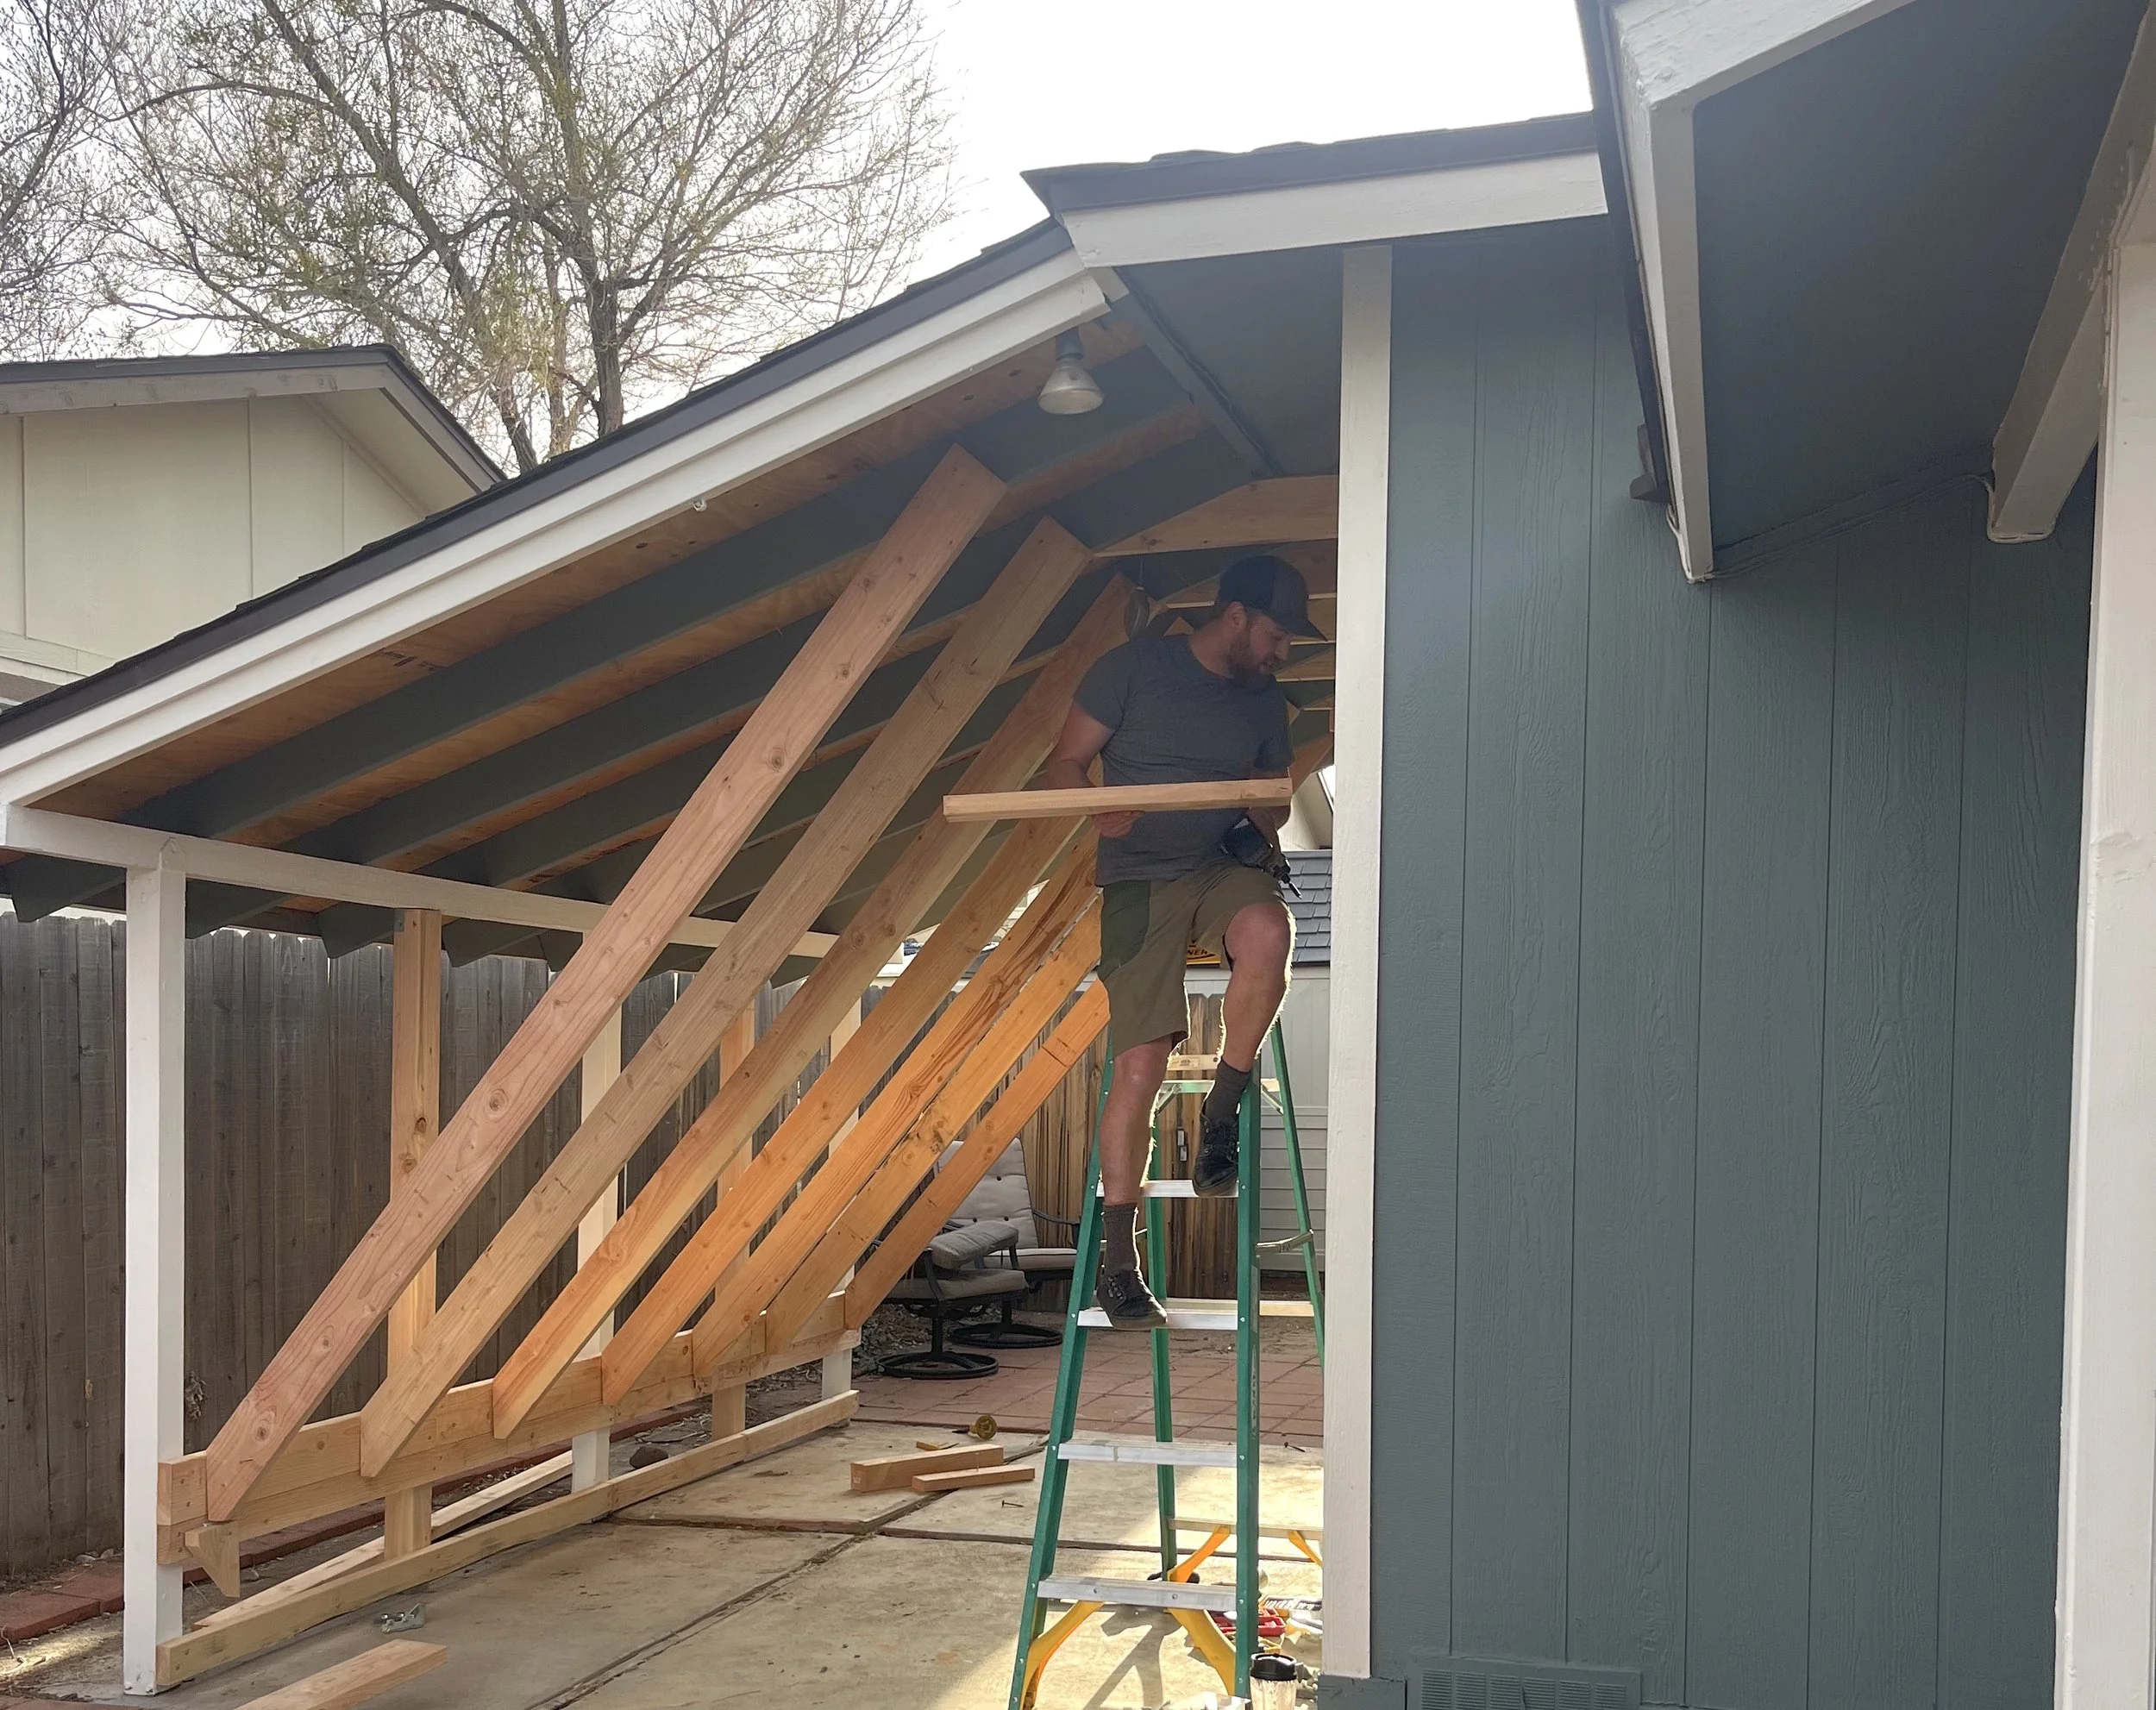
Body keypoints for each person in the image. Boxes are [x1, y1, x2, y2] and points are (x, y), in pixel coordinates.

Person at [1040, 553, 1323, 1330]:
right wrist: (1095, 807)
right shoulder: (1131, 670)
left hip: (1218, 865)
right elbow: (1065, 763)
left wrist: (1264, 805)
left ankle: (1221, 1115)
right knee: (1139, 1064)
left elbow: (1273, 804)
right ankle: (1119, 1265)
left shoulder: (1264, 705)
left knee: (1270, 928)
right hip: (1139, 878)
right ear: (1235, 617)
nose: (1282, 651)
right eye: (1276, 635)